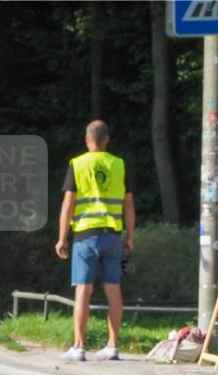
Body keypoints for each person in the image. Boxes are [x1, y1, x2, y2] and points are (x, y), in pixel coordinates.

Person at [54, 120, 135, 362]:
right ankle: (112, 346)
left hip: (85, 237)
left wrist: (61, 238)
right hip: (112, 236)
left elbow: (68, 203)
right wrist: (130, 236)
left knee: (83, 289)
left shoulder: (77, 164)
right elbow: (128, 204)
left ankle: (79, 347)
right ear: (107, 139)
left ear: (87, 140)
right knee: (113, 289)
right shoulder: (119, 164)